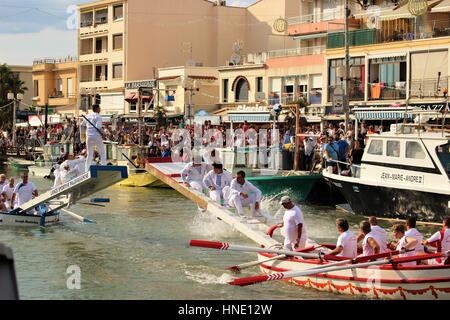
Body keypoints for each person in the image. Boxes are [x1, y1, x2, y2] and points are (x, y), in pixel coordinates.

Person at [83, 104, 107, 172]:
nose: (100, 109)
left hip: (88, 136)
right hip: (96, 135)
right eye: (99, 108)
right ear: (97, 109)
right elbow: (98, 127)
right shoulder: (98, 116)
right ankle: (104, 167)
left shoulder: (87, 116)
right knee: (102, 152)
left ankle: (86, 170)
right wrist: (103, 133)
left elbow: (82, 125)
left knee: (89, 153)